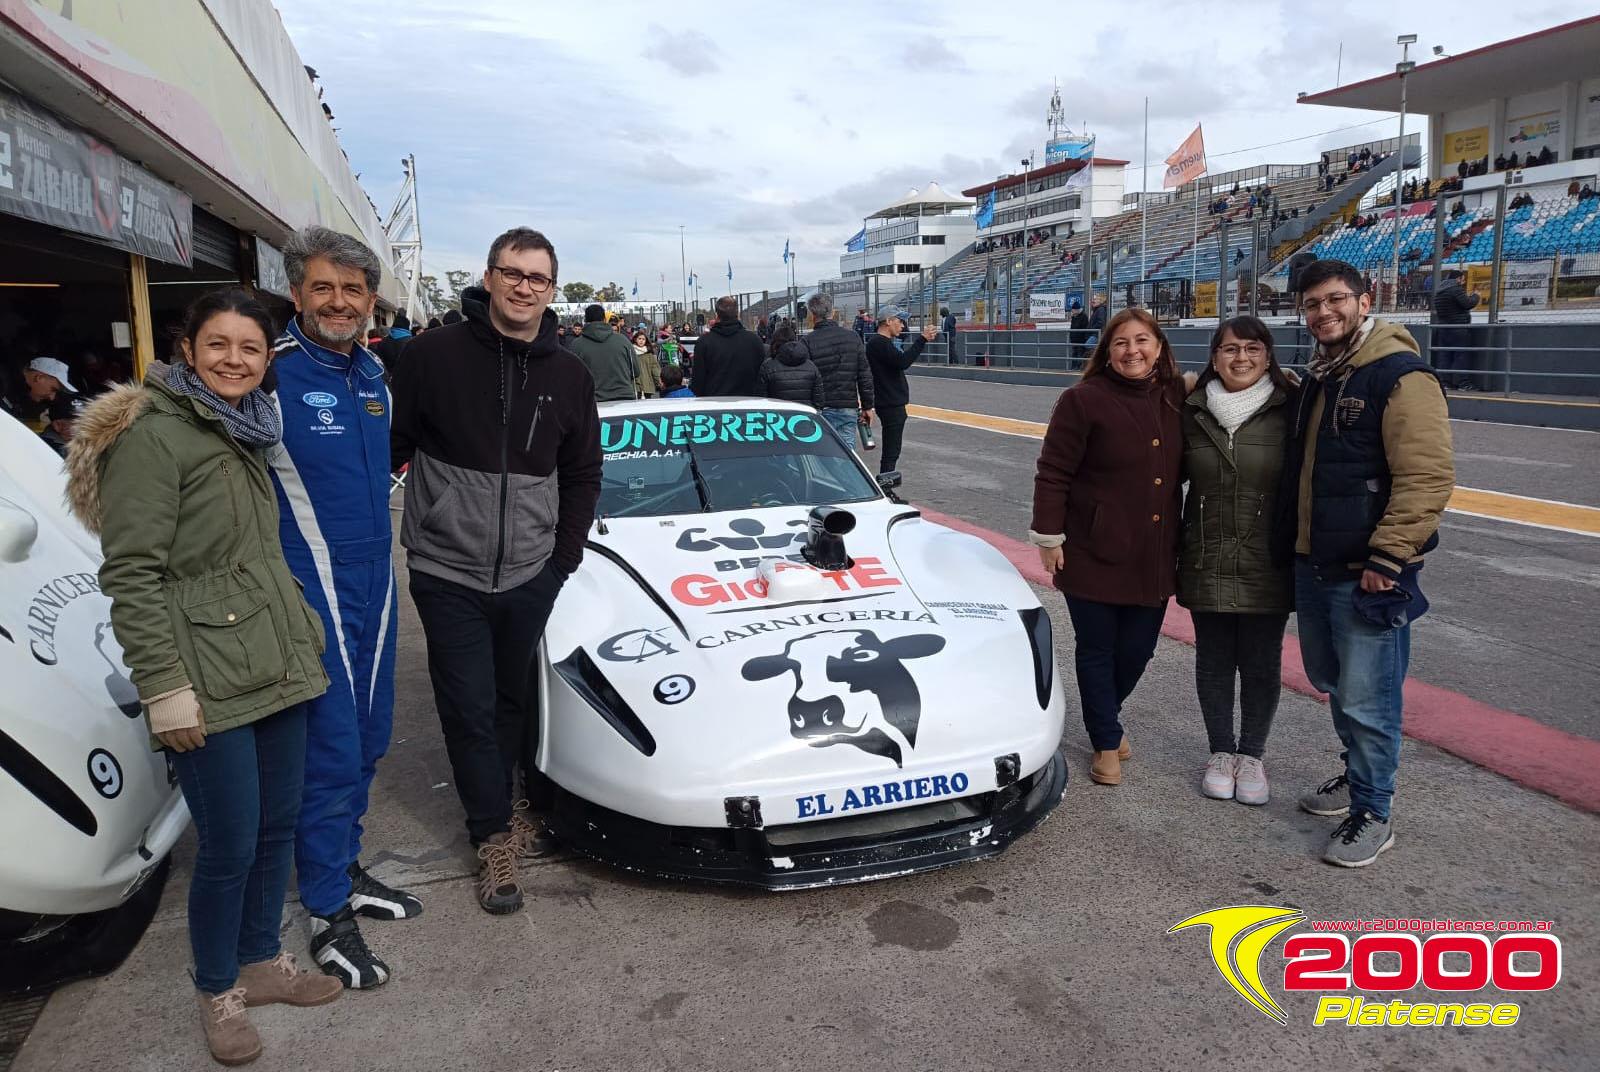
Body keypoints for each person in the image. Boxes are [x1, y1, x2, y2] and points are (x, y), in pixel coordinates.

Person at [65, 289, 340, 1064]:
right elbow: (132, 574)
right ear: (188, 349)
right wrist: (163, 687)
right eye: (218, 345)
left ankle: (260, 962)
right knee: (228, 843)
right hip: (203, 673)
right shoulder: (155, 436)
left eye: (250, 349)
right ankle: (217, 986)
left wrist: (300, 631)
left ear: (266, 360)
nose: (234, 360)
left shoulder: (245, 426)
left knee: (276, 826)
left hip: (274, 658)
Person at [391, 227, 602, 913]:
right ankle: (492, 835)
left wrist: (560, 561)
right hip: (447, 570)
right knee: (469, 706)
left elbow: (583, 474)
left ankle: (501, 798)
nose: (523, 286)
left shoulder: (569, 374)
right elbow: (388, 448)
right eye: (510, 273)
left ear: (551, 288)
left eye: (537, 277)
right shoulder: (431, 356)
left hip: (529, 573)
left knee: (510, 698)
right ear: (488, 278)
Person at [268, 226, 420, 990]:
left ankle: (344, 865)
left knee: (370, 735)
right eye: (324, 287)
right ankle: (327, 909)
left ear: (370, 301)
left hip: (377, 584)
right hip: (310, 590)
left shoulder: (373, 376)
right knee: (328, 746)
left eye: (353, 290)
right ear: (296, 292)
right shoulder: (268, 376)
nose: (339, 302)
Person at [1284, 259, 1454, 868]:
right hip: (1316, 562)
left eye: (1334, 300)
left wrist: (1390, 556)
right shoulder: (1325, 375)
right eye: (1311, 305)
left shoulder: (1399, 375)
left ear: (1364, 300)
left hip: (1369, 568)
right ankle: (1356, 778)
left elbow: (1427, 476)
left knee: (1370, 696)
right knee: (1334, 683)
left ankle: (1375, 811)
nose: (1322, 312)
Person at [1029, 308, 1185, 787]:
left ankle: (1106, 716)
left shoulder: (1177, 396)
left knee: (1137, 651)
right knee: (1097, 649)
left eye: (1142, 341)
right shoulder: (1083, 400)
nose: (1132, 351)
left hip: (1155, 551)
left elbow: (1232, 381)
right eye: (1121, 343)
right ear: (1106, 351)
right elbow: (1053, 472)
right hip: (1092, 549)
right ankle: (1104, 739)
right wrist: (1049, 538)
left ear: (1159, 348)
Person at [1177, 316, 1294, 806]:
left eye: (1251, 348)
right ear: (1213, 356)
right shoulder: (1190, 407)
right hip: (1206, 552)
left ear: (1268, 355)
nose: (1240, 358)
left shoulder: (1292, 408)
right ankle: (1220, 752)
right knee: (1214, 661)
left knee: (1263, 664)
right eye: (1229, 349)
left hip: (1270, 556)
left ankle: (1253, 755)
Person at [865, 307, 937, 477]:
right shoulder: (879, 343)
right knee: (892, 450)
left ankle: (886, 482)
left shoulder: (880, 343)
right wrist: (922, 339)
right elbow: (903, 361)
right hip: (890, 403)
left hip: (889, 401)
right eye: (899, 321)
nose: (902, 326)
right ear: (888, 321)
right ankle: (886, 484)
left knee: (892, 449)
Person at [799, 290, 874, 448]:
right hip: (848, 405)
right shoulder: (853, 337)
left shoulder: (807, 342)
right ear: (832, 312)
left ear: (812, 314)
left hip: (821, 407)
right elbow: (864, 375)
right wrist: (867, 406)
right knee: (846, 454)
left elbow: (805, 378)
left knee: (821, 453)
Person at [692, 296, 765, 396]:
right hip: (749, 405)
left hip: (713, 405)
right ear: (738, 314)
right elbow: (761, 377)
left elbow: (697, 382)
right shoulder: (754, 340)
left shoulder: (704, 342)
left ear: (717, 315)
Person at [568, 304, 638, 402]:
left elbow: (571, 377)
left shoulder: (576, 345)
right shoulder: (623, 340)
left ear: (585, 320)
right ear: (604, 319)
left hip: (591, 402)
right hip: (624, 399)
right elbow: (636, 371)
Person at [1431, 269, 1479, 390]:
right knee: (1461, 355)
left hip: (1443, 328)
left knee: (1444, 355)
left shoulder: (1439, 292)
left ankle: (1445, 382)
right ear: (1457, 279)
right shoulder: (1455, 289)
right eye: (1462, 280)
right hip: (1458, 327)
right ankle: (1463, 383)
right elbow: (1468, 303)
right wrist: (1476, 296)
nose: (1463, 282)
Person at [2, 356, 76, 431]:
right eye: (53, 389)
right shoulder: (4, 385)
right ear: (39, 377)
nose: (52, 398)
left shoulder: (22, 396)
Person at [758, 337, 825, 409]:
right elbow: (819, 398)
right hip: (805, 413)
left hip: (777, 414)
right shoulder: (811, 366)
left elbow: (762, 396)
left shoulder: (769, 366)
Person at [371, 311, 412, 379]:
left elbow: (380, 362)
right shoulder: (411, 341)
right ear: (407, 326)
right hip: (407, 379)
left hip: (389, 379)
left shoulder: (383, 342)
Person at [632, 330, 663, 398]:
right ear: (635, 339)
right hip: (635, 385)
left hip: (647, 386)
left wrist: (660, 381)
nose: (641, 341)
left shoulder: (649, 354)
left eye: (643, 339)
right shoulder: (631, 353)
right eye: (639, 338)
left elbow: (655, 369)